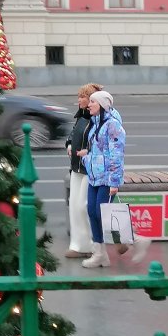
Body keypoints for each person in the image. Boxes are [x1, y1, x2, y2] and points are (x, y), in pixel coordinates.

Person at [77, 89, 149, 267]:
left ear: (102, 105)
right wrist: (86, 157)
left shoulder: (113, 125)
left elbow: (116, 155)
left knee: (103, 213)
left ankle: (137, 240)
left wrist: (114, 182)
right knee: (92, 212)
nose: (89, 105)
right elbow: (98, 151)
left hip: (107, 178)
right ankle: (100, 254)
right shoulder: (96, 124)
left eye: (93, 101)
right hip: (95, 177)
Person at [64, 82, 103, 258]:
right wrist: (69, 144)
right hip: (76, 167)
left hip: (90, 169)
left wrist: (89, 151)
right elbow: (73, 133)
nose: (79, 100)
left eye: (82, 97)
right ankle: (78, 245)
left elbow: (101, 143)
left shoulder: (97, 119)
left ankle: (92, 244)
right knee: (74, 205)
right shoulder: (81, 116)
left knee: (83, 206)